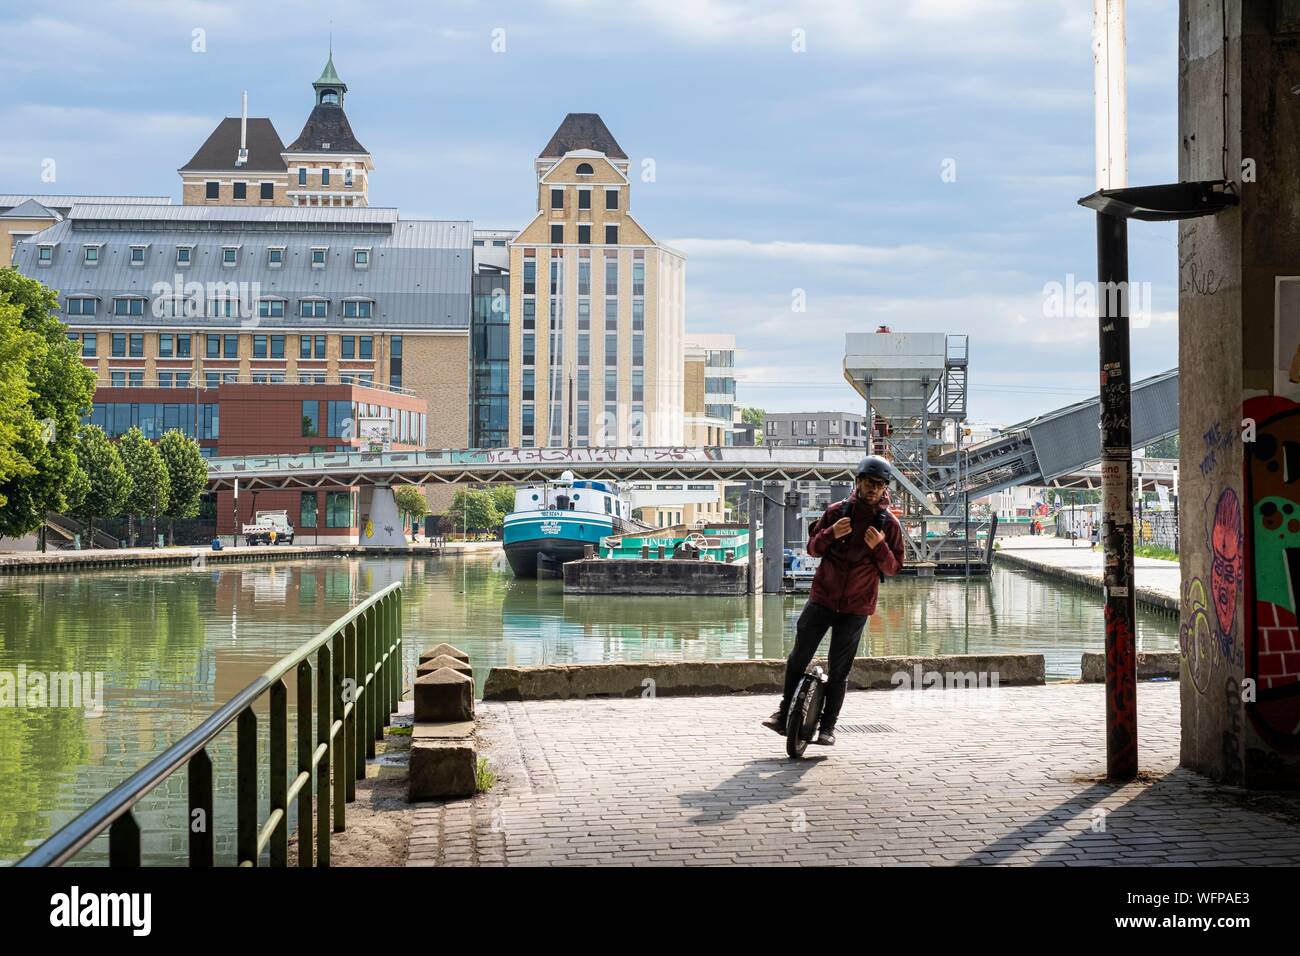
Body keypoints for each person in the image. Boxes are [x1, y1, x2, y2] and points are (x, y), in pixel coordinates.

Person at [762, 455, 905, 746]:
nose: (873, 489)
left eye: (879, 485)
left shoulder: (889, 525)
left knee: (839, 670)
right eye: (868, 482)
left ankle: (828, 727)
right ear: (858, 482)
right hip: (823, 598)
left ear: (885, 488)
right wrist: (830, 533)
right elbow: (813, 548)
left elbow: (893, 568)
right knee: (798, 658)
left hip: (856, 607)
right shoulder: (836, 512)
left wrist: (879, 547)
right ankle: (782, 711)